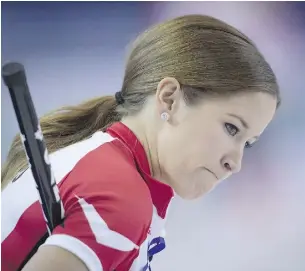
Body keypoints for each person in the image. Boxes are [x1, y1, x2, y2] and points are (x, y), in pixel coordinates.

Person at [1, 14, 281, 271]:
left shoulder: (106, 168)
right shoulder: (118, 197)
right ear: (170, 98)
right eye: (231, 128)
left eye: (249, 143)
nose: (236, 162)